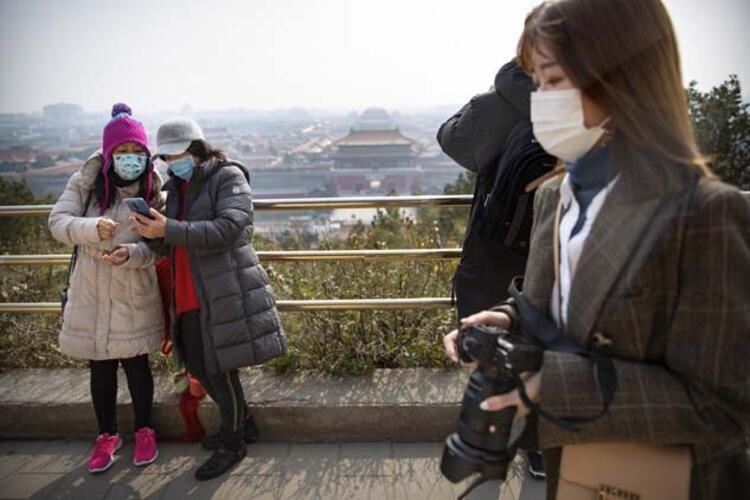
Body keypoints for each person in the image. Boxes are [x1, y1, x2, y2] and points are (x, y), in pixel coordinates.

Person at [443, 1, 750, 498]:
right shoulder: (554, 196)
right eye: (537, 83)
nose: (541, 101)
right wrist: (506, 321)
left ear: (623, 77)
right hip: (576, 474)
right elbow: (551, 310)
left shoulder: (703, 213)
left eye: (553, 79)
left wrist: (551, 384)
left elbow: (721, 405)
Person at [132, 117, 287, 480]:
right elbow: (177, 241)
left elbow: (231, 229)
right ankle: (243, 424)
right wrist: (152, 233)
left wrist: (168, 228)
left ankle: (233, 443)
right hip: (188, 290)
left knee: (219, 372)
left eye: (178, 154)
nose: (172, 163)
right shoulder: (178, 187)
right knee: (201, 367)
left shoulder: (227, 177)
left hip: (222, 289)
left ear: (198, 150)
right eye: (166, 158)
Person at [48, 103, 164, 473]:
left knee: (136, 365)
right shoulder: (85, 182)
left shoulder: (153, 189)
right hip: (92, 292)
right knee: (100, 367)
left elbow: (161, 245)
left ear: (146, 156)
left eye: (137, 153)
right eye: (123, 152)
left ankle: (145, 430)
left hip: (134, 290)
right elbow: (58, 222)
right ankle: (107, 435)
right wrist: (91, 228)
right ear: (109, 154)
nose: (130, 160)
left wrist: (131, 253)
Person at [437, 58, 535, 320]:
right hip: (562, 266)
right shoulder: (593, 106)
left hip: (493, 264)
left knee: (489, 349)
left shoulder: (494, 105)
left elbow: (450, 138)